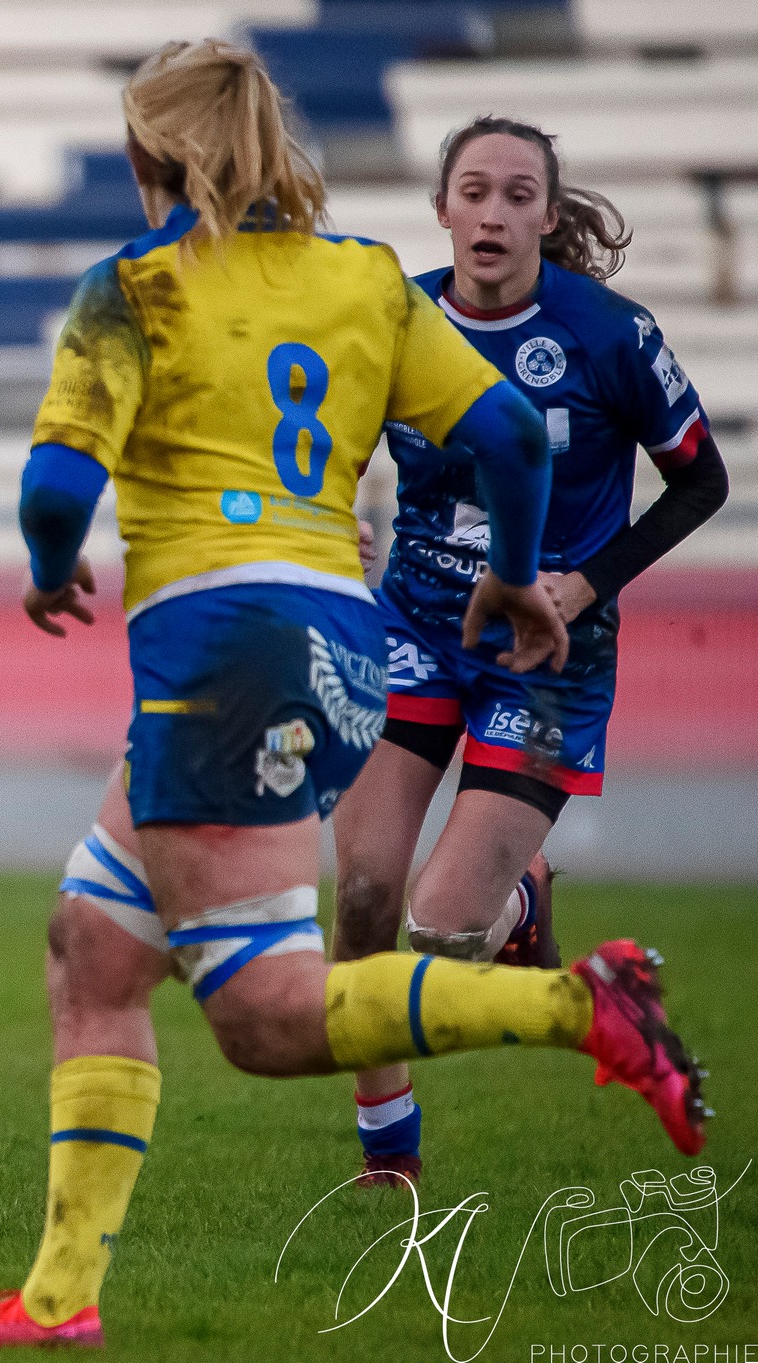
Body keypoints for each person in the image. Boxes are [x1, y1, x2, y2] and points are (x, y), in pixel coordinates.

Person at [0, 42, 708, 1350]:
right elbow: (511, 436)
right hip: (347, 647)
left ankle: (577, 1004)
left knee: (264, 1017)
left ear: (151, 158)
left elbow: (56, 487)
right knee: (93, 945)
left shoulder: (132, 288)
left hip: (223, 655)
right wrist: (516, 572)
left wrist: (51, 569)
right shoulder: (364, 279)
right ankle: (57, 1301)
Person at [331, 118, 730, 1189]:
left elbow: (701, 480)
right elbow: (333, 448)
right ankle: (388, 1151)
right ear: (442, 210)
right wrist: (333, 519)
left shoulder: (608, 334)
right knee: (363, 889)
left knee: (441, 926)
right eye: (474, 191)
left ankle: (519, 905)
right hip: (417, 627)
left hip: (551, 654)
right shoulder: (396, 318)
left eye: (518, 195)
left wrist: (588, 581)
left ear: (547, 218)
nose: (494, 213)